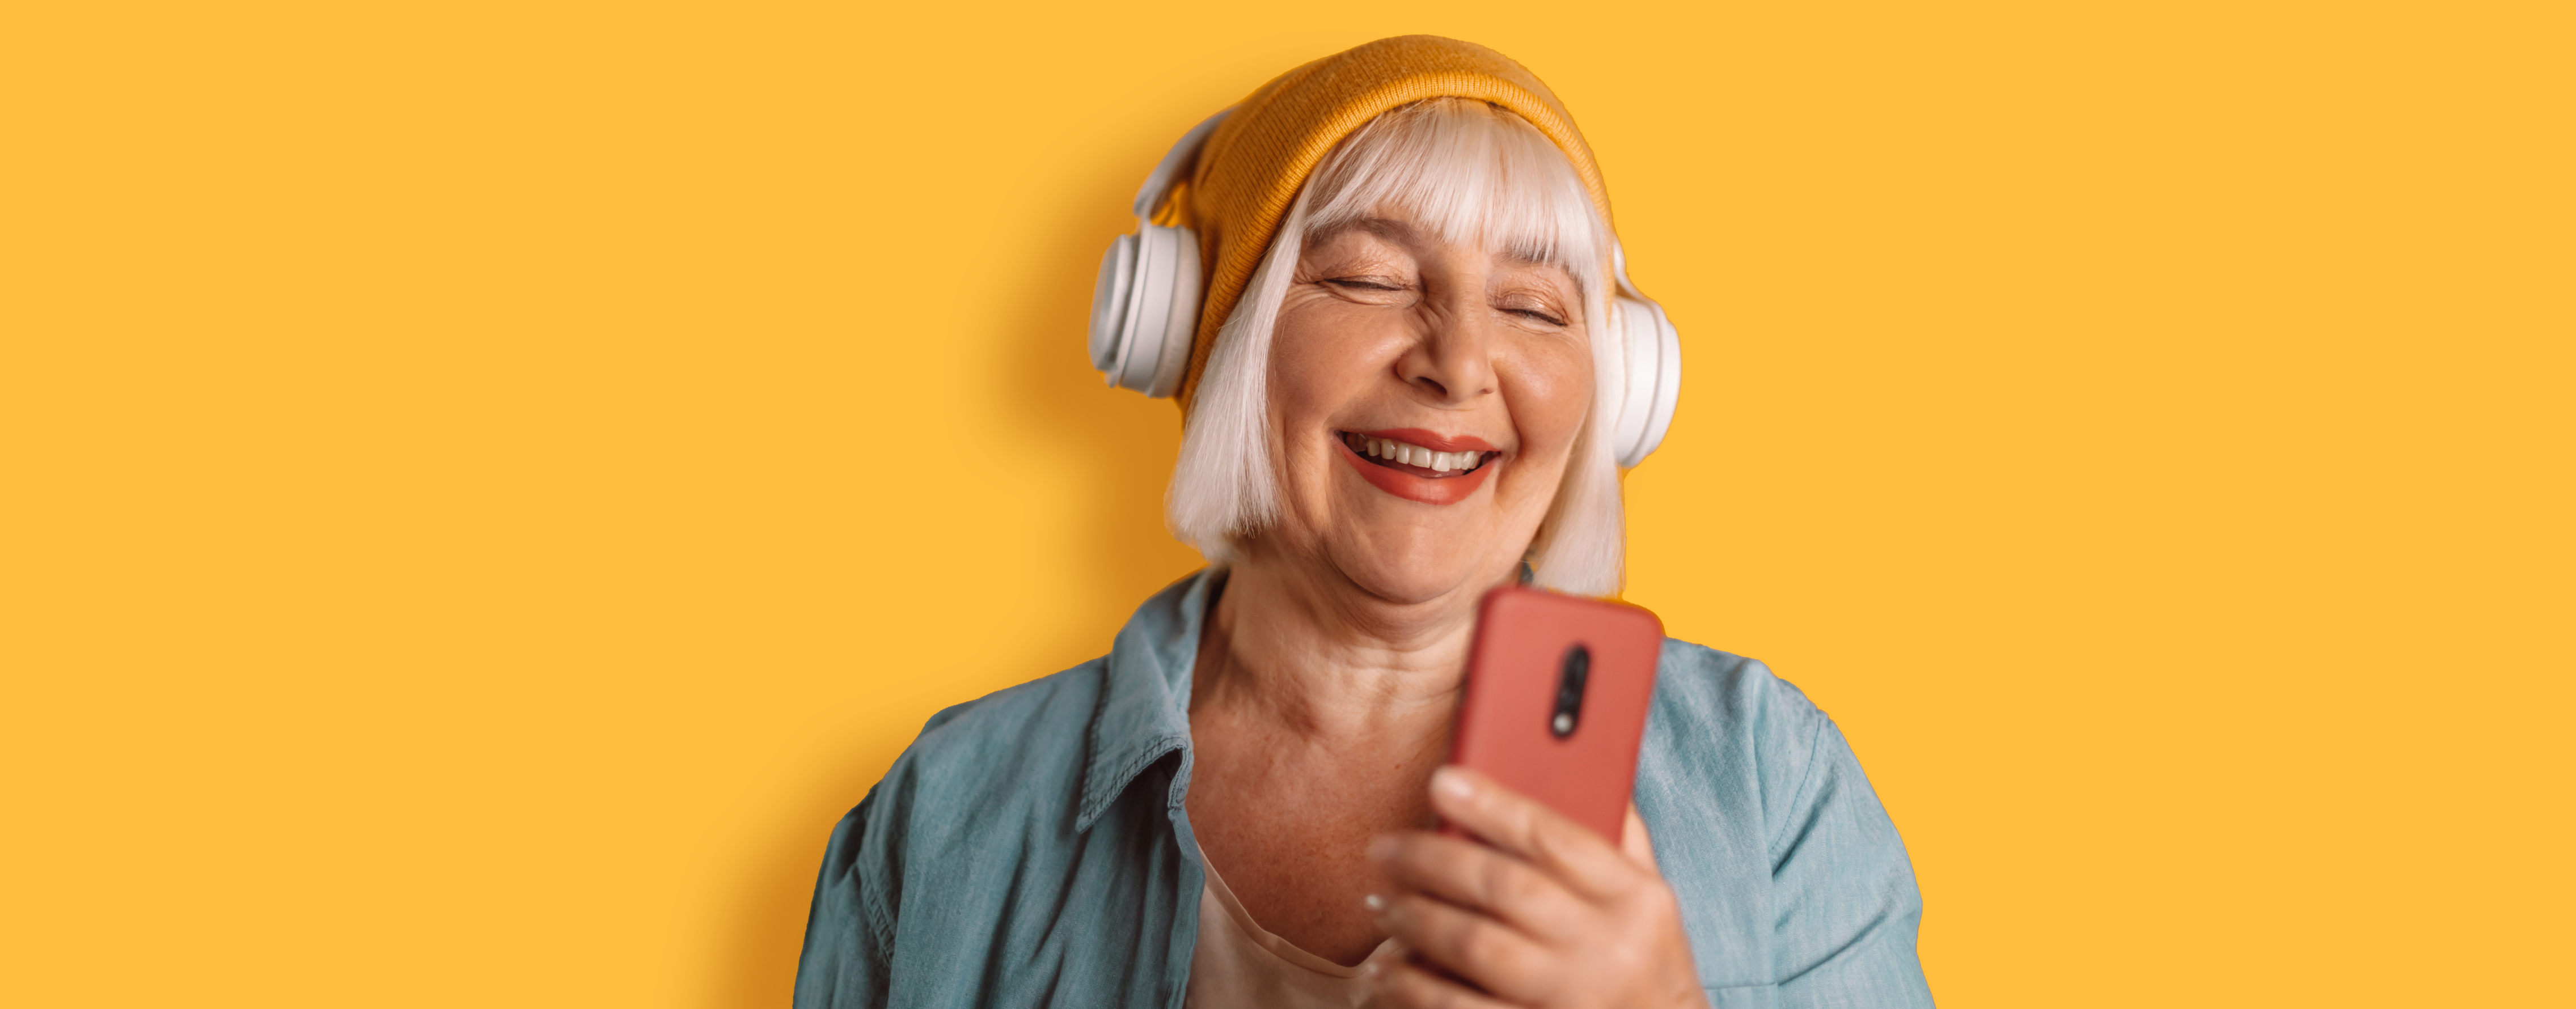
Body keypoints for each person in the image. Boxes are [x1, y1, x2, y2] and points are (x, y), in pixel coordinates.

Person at [795, 36, 1934, 1009]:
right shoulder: (951, 808)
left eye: (1535, 307)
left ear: (1614, 391)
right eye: (1369, 279)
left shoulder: (1766, 775)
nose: (1458, 363)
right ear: (1211, 339)